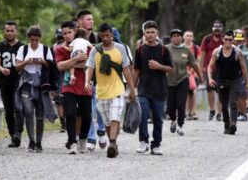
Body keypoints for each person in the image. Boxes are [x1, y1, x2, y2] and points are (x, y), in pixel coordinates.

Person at [85, 23, 135, 158]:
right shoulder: (95, 50)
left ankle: (112, 143)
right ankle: (113, 143)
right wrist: (87, 81)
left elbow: (126, 68)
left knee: (115, 117)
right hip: (101, 91)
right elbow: (90, 67)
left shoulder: (121, 49)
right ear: (100, 36)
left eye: (108, 35)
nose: (105, 38)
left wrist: (131, 88)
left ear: (112, 35)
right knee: (107, 122)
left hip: (118, 89)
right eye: (103, 36)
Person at [133, 20, 173, 155]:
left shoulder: (164, 49)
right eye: (147, 32)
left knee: (157, 118)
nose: (150, 35)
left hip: (159, 89)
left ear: (157, 33)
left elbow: (170, 69)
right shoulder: (139, 50)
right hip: (143, 88)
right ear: (144, 34)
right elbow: (136, 70)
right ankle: (143, 141)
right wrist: (132, 89)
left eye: (152, 32)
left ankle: (156, 144)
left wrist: (159, 66)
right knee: (143, 114)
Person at [15, 25, 56, 152]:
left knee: (39, 115)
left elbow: (51, 66)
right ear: (28, 38)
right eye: (32, 40)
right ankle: (31, 140)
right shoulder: (23, 49)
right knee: (28, 112)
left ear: (39, 39)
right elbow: (17, 67)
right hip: (27, 84)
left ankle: (39, 142)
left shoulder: (45, 49)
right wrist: (27, 62)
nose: (34, 42)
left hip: (41, 85)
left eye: (36, 40)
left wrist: (41, 61)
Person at [55, 21, 92, 154]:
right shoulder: (60, 49)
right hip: (68, 85)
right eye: (64, 33)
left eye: (69, 32)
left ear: (74, 32)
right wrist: (76, 60)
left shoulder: (85, 45)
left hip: (85, 85)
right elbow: (59, 66)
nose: (67, 36)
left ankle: (82, 139)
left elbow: (90, 65)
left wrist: (70, 64)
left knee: (86, 116)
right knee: (70, 113)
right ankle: (72, 142)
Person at [208, 30, 248, 135]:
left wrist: (247, 82)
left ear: (233, 40)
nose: (228, 41)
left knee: (233, 102)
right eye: (226, 39)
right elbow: (210, 66)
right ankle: (226, 123)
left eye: (230, 40)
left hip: (235, 80)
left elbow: (243, 68)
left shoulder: (237, 52)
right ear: (222, 40)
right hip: (221, 80)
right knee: (224, 105)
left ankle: (233, 124)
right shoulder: (217, 52)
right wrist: (209, 78)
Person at [77, 10, 107, 151]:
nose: (92, 22)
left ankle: (101, 130)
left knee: (99, 108)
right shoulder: (75, 38)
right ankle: (91, 137)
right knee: (88, 109)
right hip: (81, 79)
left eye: (93, 19)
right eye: (89, 19)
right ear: (80, 22)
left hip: (98, 79)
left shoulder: (97, 37)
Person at [166, 29, 203, 136]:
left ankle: (180, 125)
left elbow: (194, 64)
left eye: (178, 36)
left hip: (183, 79)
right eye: (174, 36)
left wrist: (200, 76)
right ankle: (173, 120)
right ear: (171, 38)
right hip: (169, 81)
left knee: (181, 104)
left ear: (181, 38)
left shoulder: (186, 50)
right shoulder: (166, 49)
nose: (176, 38)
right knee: (171, 105)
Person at [0, 20, 24, 147]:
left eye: (12, 31)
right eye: (7, 30)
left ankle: (18, 133)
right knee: (8, 111)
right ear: (4, 32)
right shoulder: (0, 46)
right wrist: (2, 69)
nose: (10, 33)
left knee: (18, 109)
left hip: (19, 82)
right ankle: (13, 135)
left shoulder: (22, 47)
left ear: (16, 32)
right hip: (4, 82)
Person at [200, 20, 223, 121]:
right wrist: (201, 71)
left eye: (219, 28)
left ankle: (219, 112)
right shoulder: (207, 39)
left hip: (222, 69)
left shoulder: (225, 39)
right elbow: (202, 56)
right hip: (209, 68)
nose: (217, 30)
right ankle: (212, 110)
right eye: (215, 28)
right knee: (210, 89)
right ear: (213, 29)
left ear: (221, 29)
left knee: (221, 91)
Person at [183, 31, 202, 120]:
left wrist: (192, 71)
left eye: (191, 36)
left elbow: (198, 61)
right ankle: (188, 112)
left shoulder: (196, 48)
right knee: (186, 93)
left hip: (194, 73)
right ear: (183, 37)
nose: (189, 37)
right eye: (187, 35)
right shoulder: (181, 47)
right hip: (183, 73)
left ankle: (194, 111)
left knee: (193, 92)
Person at [51, 28, 66, 132]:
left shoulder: (70, 46)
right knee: (59, 102)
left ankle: (65, 123)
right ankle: (63, 123)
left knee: (64, 101)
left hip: (66, 75)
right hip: (58, 76)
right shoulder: (54, 48)